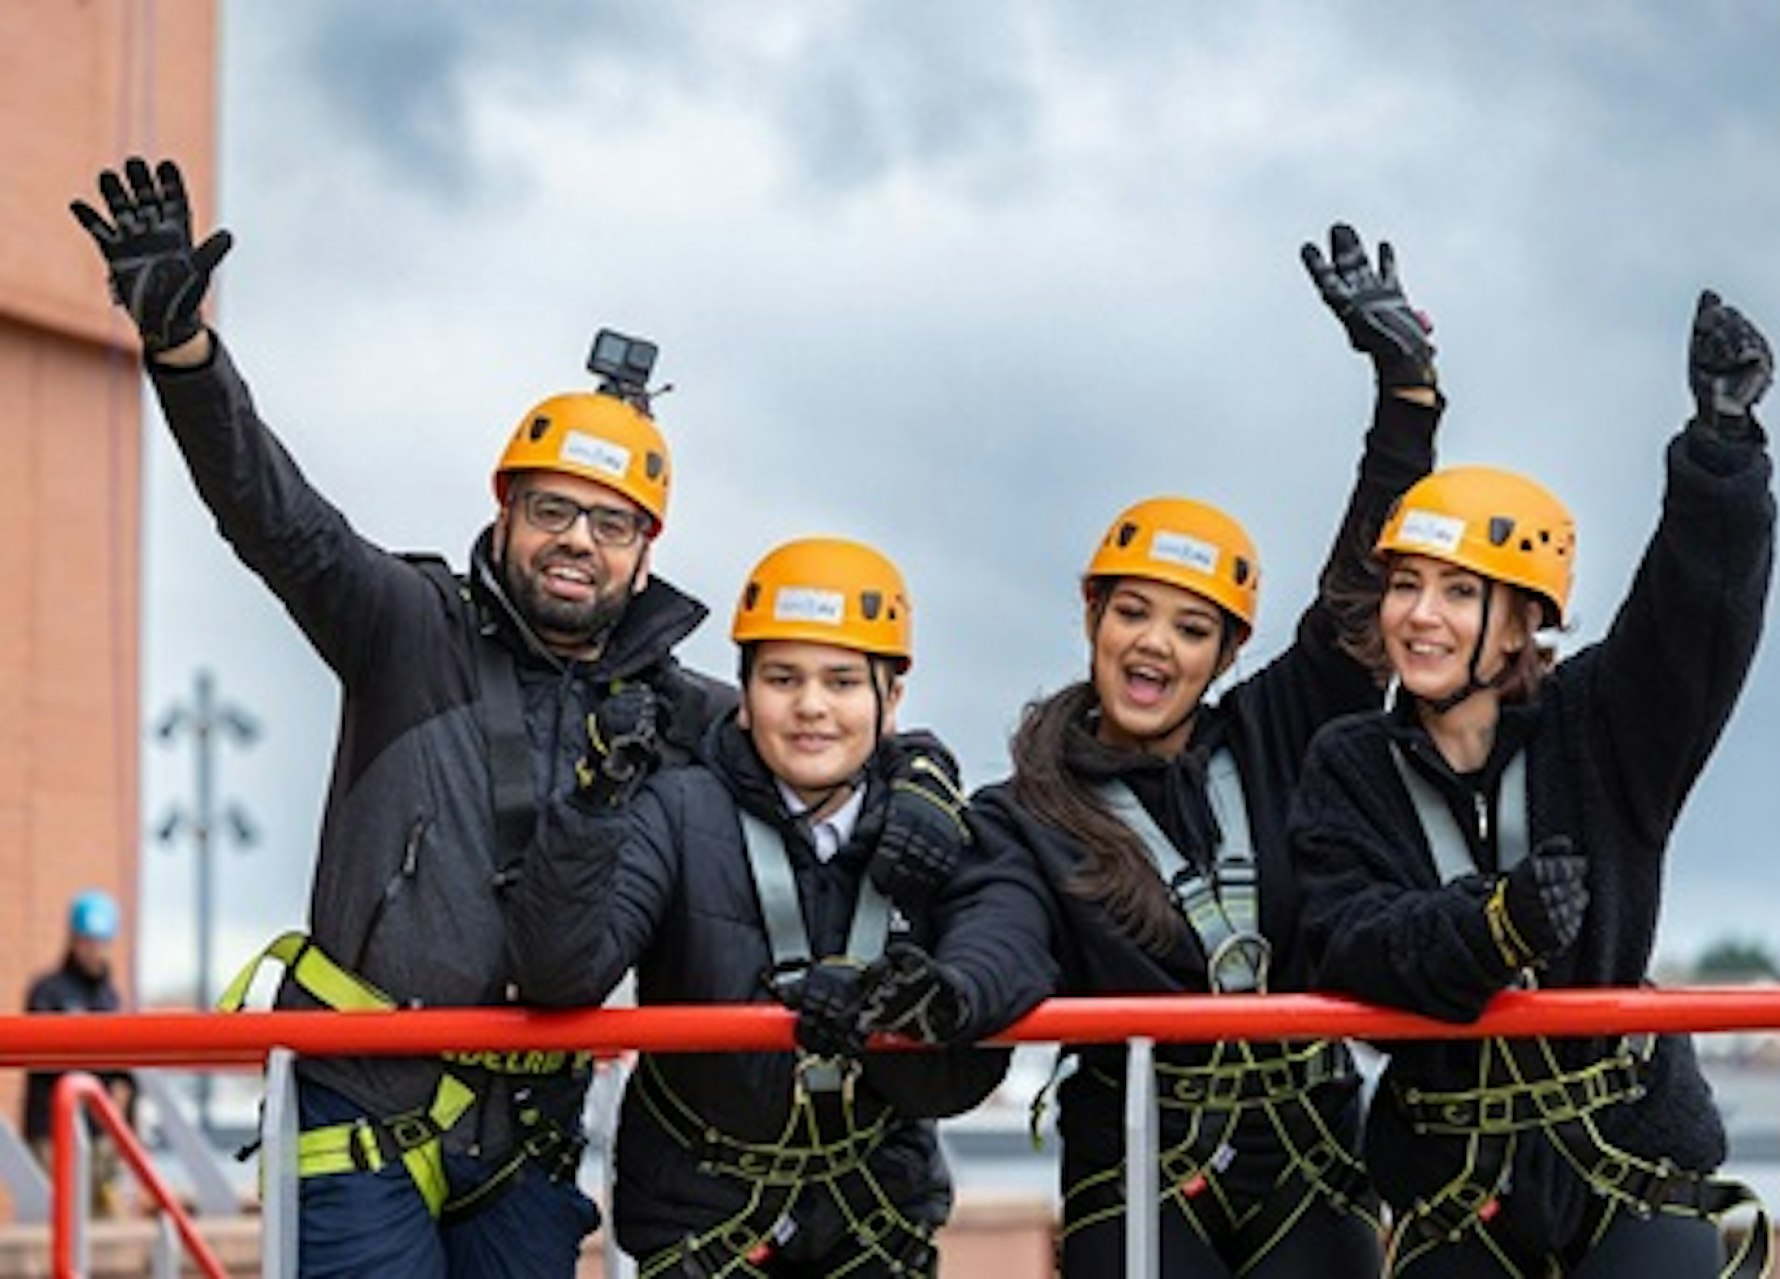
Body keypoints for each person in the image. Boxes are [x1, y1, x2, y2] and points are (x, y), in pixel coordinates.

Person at [70, 156, 733, 1277]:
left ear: (645, 552)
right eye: (554, 509)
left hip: (527, 1146)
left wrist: (913, 773)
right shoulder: (405, 625)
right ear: (505, 509)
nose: (579, 539)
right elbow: (275, 517)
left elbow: (814, 739)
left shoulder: (674, 708)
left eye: (612, 525)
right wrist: (185, 357)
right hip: (359, 1118)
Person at [962, 224, 1443, 1276]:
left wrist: (1405, 397)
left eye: (1190, 628)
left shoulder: (1278, 731)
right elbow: (1001, 938)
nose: (1152, 645)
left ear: (1225, 653)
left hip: (1303, 1150)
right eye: (1132, 612)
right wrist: (952, 987)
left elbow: (1361, 588)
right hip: (1136, 1151)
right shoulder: (1022, 811)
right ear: (1092, 617)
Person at [1287, 291, 1778, 1277]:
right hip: (1455, 1176)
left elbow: (1694, 623)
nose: (1419, 616)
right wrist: (1490, 928)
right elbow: (1344, 941)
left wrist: (1721, 452)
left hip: (1626, 1154)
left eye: (1458, 592)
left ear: (1522, 624)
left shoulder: (1603, 727)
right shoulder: (1351, 763)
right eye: (1405, 585)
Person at [506, 535, 1056, 1278]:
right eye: (782, 678)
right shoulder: (675, 811)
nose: (811, 707)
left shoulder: (935, 827)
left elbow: (1002, 954)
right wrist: (593, 807)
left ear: (889, 700)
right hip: (705, 1220)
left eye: (841, 681)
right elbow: (559, 972)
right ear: (743, 696)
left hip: (873, 1220)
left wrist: (921, 1005)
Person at [22, 890, 137, 1217]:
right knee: (57, 1221)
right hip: (52, 1131)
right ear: (73, 939)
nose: (93, 950)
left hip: (98, 1130)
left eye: (100, 941)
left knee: (108, 1224)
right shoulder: (48, 992)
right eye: (86, 940)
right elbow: (41, 1055)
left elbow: (121, 1064)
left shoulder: (109, 997)